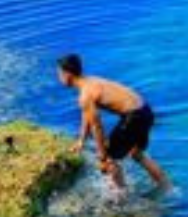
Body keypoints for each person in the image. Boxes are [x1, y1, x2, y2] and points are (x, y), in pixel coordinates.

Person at [57, 54, 172, 193]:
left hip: (134, 116)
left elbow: (97, 126)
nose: (58, 77)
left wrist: (102, 156)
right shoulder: (91, 81)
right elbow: (86, 114)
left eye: (59, 73)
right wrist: (82, 139)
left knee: (110, 160)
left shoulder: (85, 95)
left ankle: (121, 198)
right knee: (137, 154)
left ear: (67, 74)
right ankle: (168, 188)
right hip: (145, 110)